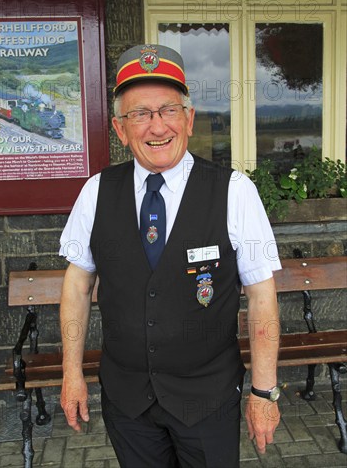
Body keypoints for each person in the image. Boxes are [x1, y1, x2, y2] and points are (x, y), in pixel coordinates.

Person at [59, 44, 281, 468]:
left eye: (169, 110)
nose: (156, 126)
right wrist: (73, 372)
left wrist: (263, 391)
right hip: (127, 401)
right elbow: (77, 283)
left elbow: (262, 295)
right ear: (120, 129)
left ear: (190, 120)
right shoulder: (96, 192)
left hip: (207, 399)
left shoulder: (234, 191)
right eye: (139, 114)